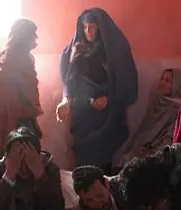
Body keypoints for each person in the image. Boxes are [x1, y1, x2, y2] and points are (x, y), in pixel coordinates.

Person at [56, 8, 138, 176]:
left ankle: (102, 197)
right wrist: (66, 100)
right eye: (85, 27)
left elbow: (126, 81)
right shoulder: (76, 48)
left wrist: (109, 99)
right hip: (82, 114)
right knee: (82, 160)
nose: (88, 32)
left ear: (100, 28)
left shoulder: (114, 49)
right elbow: (70, 79)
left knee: (102, 161)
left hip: (106, 115)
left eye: (92, 27)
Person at [0, 18, 42, 162]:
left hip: (26, 113)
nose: (35, 39)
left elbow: (30, 86)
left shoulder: (28, 58)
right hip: (10, 116)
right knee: (10, 152)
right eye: (32, 35)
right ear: (24, 37)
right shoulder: (6, 60)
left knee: (30, 153)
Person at [114, 68, 181, 170]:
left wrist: (151, 151)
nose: (162, 83)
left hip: (158, 154)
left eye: (167, 81)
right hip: (143, 148)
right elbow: (145, 130)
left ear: (178, 85)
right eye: (162, 78)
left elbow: (170, 140)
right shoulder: (158, 101)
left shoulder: (177, 111)